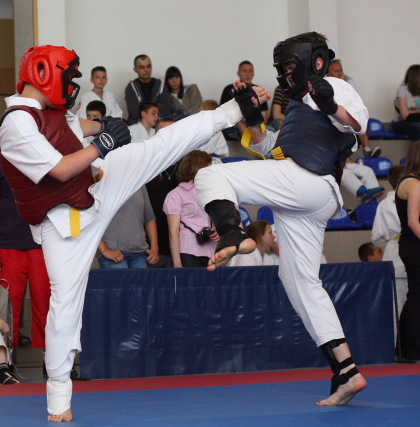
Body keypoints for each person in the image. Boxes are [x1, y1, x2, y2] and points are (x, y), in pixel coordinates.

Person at [0, 44, 262, 421]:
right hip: (64, 223)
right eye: (68, 77)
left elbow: (73, 128)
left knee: (158, 147)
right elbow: (59, 169)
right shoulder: (15, 124)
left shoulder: (49, 110)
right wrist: (101, 144)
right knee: (65, 302)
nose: (72, 85)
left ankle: (233, 110)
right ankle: (58, 398)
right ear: (43, 73)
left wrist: (104, 126)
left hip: (96, 187)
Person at [195, 32, 368, 406]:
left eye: (291, 66)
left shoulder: (333, 86)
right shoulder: (298, 108)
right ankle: (347, 371)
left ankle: (232, 233)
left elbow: (357, 123)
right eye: (282, 69)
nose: (286, 74)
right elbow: (268, 148)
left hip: (308, 180)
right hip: (305, 195)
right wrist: (251, 115)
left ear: (315, 62)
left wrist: (331, 103)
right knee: (299, 280)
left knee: (210, 174)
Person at [0, 152, 51, 353]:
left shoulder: (45, 155)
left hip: (44, 243)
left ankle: (51, 357)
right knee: (7, 305)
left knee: (46, 304)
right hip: (9, 243)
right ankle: (6, 358)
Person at [163, 150, 217, 268]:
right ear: (198, 167)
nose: (212, 170)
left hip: (212, 250)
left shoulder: (213, 191)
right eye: (208, 166)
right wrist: (177, 263)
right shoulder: (175, 194)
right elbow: (173, 232)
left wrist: (218, 231)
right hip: (188, 251)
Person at [394, 141, 420, 361]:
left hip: (410, 245)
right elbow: (413, 221)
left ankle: (405, 350)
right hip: (415, 245)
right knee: (417, 297)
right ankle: (412, 350)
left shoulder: (407, 181)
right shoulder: (414, 184)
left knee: (415, 296)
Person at [372, 164, 407, 319]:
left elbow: (377, 237)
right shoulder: (414, 197)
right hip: (410, 253)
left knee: (397, 308)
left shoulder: (384, 205)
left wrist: (390, 240)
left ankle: (399, 335)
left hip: (394, 255)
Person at [326, 59, 380, 158]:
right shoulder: (324, 82)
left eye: (341, 70)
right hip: (333, 113)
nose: (340, 73)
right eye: (336, 71)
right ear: (328, 72)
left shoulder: (349, 80)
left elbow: (354, 101)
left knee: (359, 116)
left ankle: (367, 149)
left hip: (347, 109)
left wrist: (344, 83)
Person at [146, 118, 180, 269]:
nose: (168, 137)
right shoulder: (145, 164)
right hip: (152, 248)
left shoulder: (189, 164)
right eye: (164, 133)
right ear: (155, 136)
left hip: (184, 247)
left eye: (173, 133)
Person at [97, 186, 159, 268]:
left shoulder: (139, 182)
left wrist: (155, 248)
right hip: (113, 253)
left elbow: (149, 217)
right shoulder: (101, 181)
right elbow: (88, 219)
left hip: (140, 252)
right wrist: (104, 250)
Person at [220, 61, 269, 138]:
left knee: (270, 130)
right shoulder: (229, 89)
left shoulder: (259, 90)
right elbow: (223, 113)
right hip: (235, 123)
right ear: (238, 73)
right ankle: (252, 143)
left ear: (253, 73)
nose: (247, 74)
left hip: (256, 122)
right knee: (240, 124)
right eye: (244, 71)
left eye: (250, 71)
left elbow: (264, 118)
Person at [125, 54, 171, 125]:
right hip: (138, 125)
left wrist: (144, 109)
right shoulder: (131, 87)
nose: (146, 70)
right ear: (135, 69)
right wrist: (157, 107)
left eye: (148, 66)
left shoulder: (161, 85)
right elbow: (134, 113)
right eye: (142, 67)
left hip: (159, 123)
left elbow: (167, 108)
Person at [394, 65, 420, 142]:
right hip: (401, 123)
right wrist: (409, 114)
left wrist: (410, 113)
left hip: (415, 121)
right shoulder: (402, 90)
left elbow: (407, 115)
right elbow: (405, 116)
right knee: (419, 127)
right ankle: (416, 149)